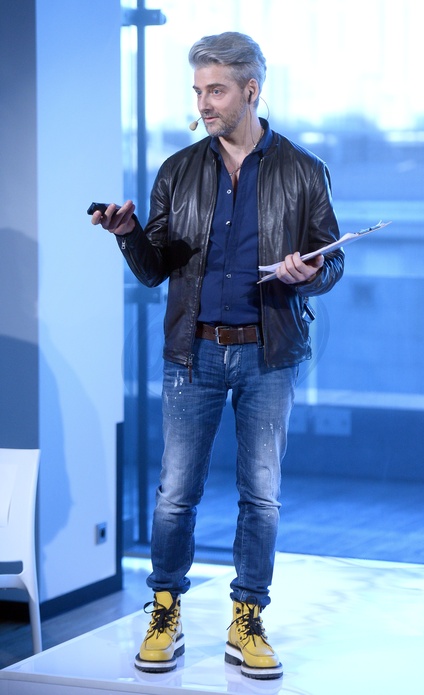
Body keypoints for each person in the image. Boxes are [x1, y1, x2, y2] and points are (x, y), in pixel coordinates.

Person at [92, 31, 344, 681]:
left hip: (269, 355)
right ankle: (165, 611)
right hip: (192, 354)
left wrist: (308, 273)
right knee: (176, 494)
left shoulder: (304, 171)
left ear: (250, 90)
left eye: (217, 90)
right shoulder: (176, 171)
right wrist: (127, 234)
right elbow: (154, 269)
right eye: (198, 90)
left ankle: (247, 619)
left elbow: (332, 261)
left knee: (261, 496)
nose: (203, 103)